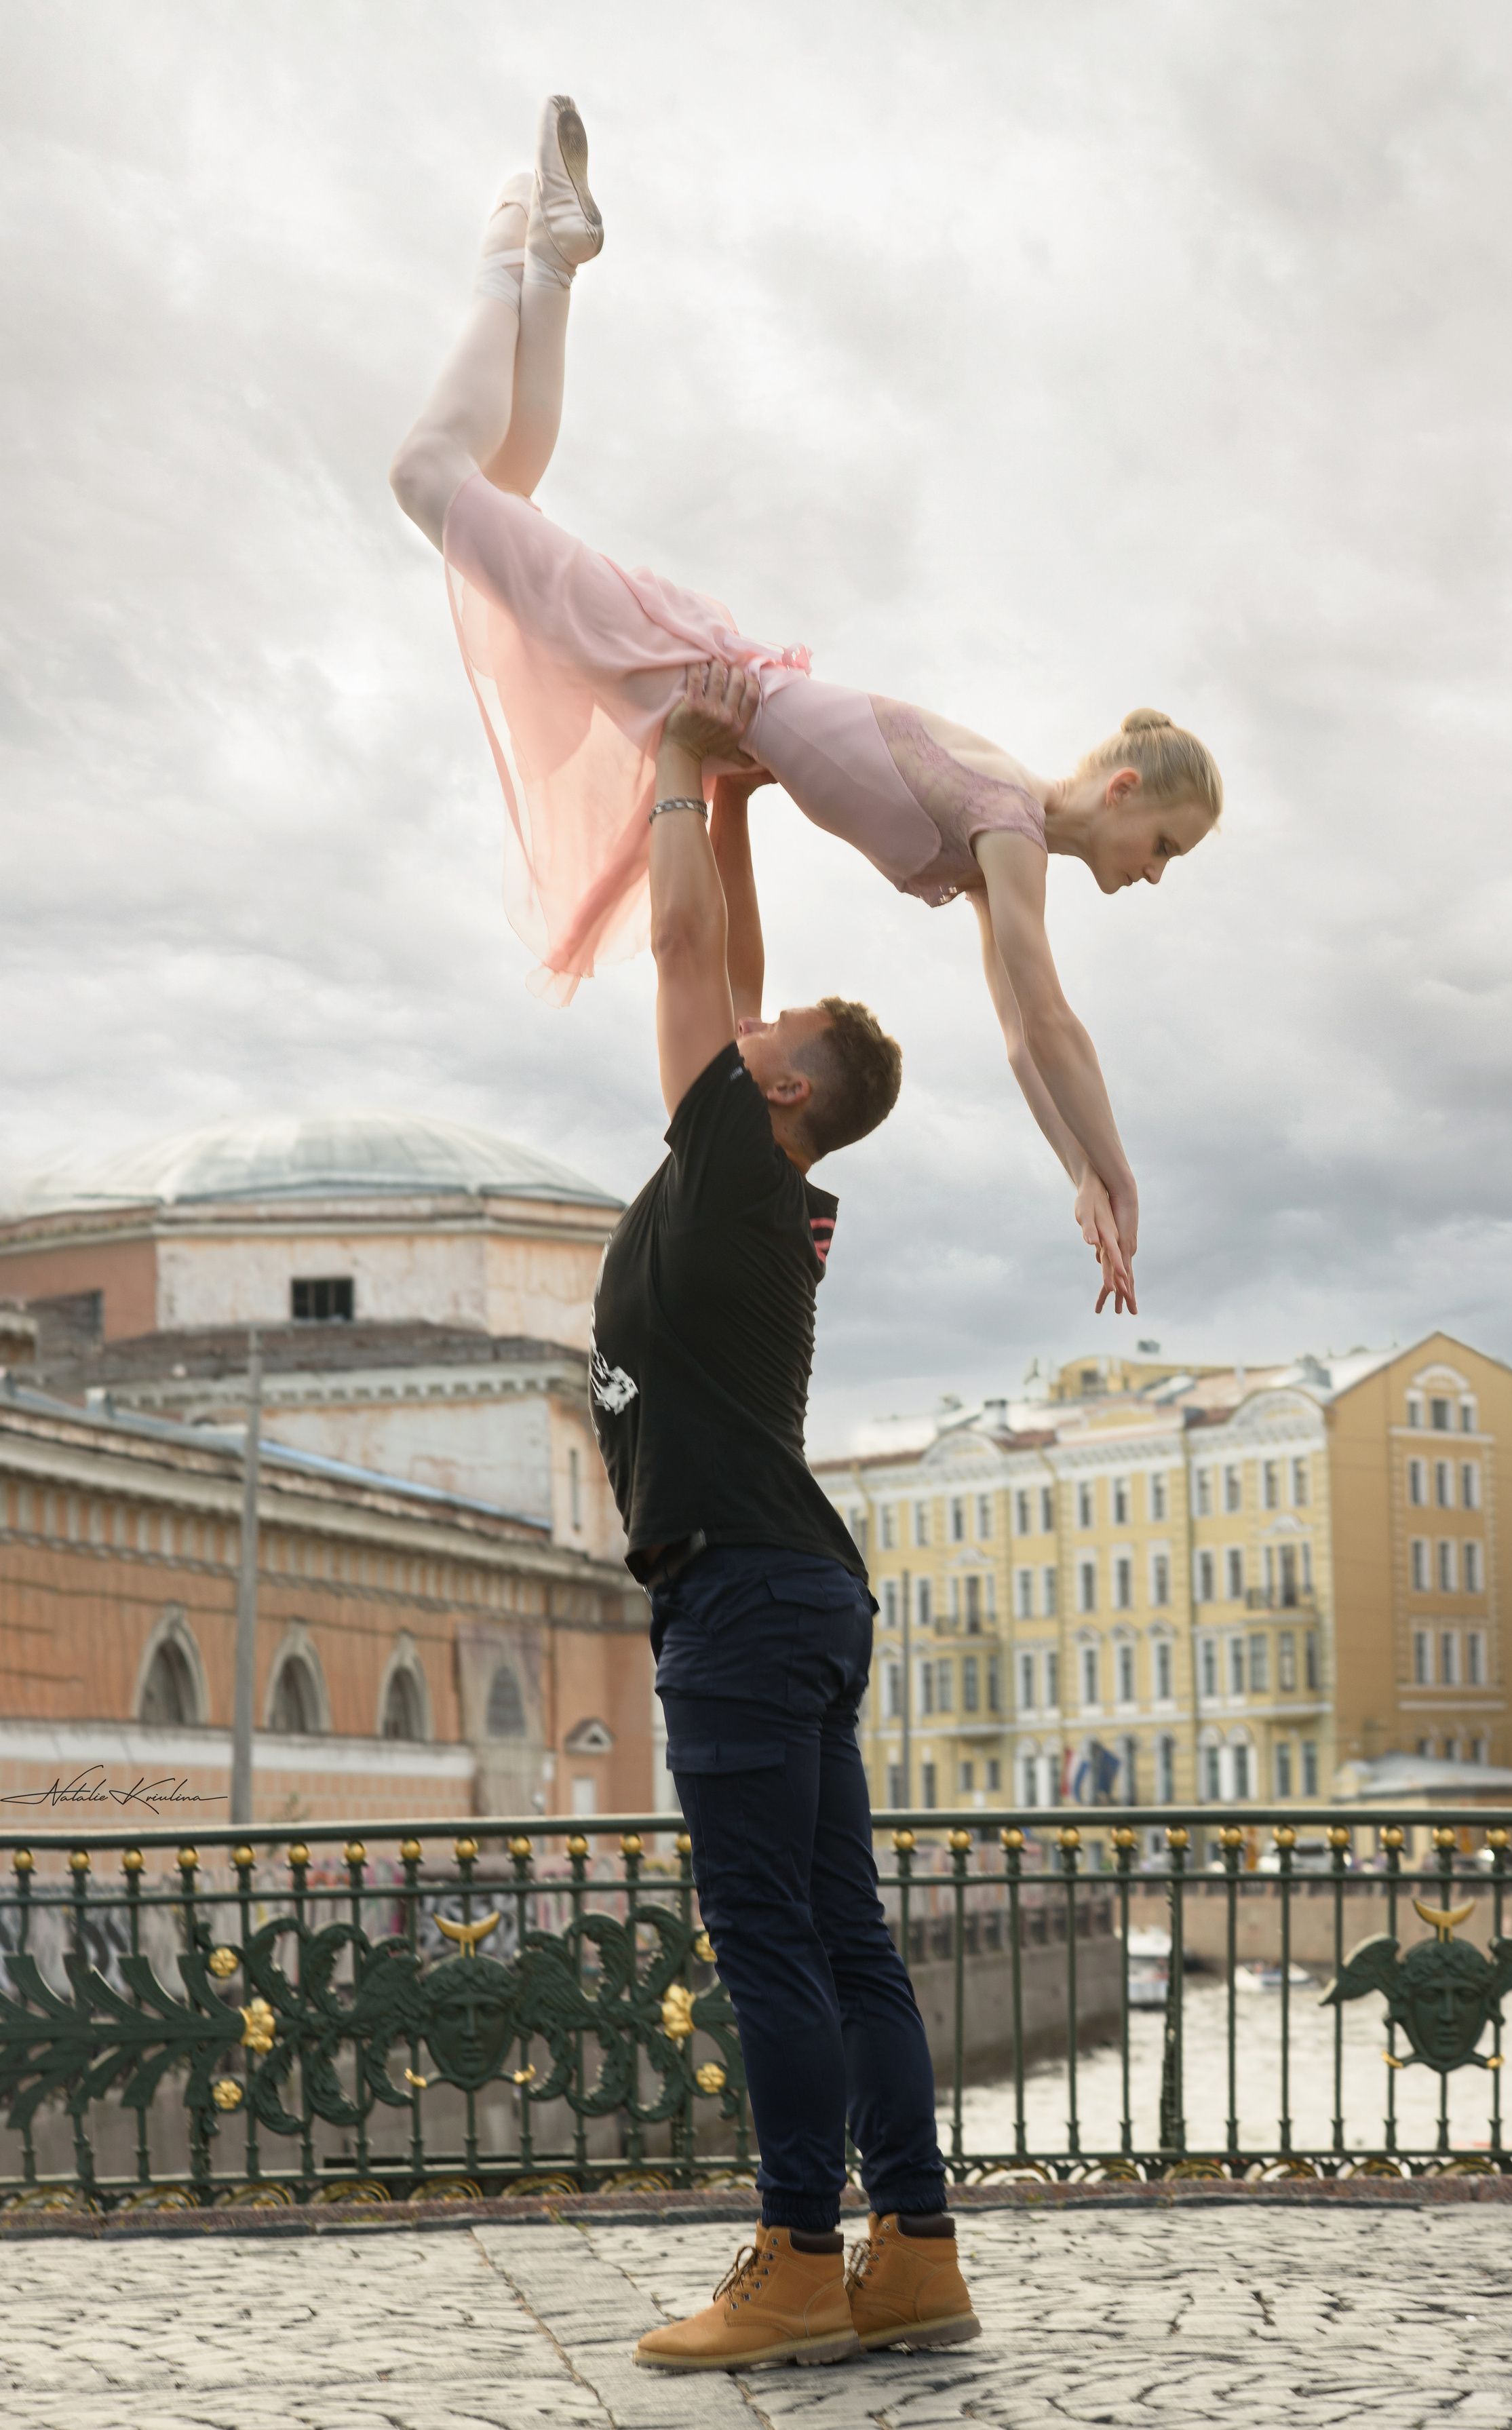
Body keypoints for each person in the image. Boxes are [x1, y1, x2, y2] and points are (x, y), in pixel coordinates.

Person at [389, 96, 1224, 1317]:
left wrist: (1078, 1175)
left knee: (493, 489)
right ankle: (523, 248)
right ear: (1123, 790)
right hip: (699, 679)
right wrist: (1120, 1170)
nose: (1156, 873)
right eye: (1167, 847)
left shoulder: (1006, 852)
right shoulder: (1009, 821)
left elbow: (1016, 1033)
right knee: (434, 479)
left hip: (709, 698)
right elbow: (1051, 1015)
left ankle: (541, 251)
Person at [573, 654, 978, 2372]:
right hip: (793, 1592)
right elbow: (723, 963)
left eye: (762, 1049)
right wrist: (733, 812)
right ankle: (917, 2253)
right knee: (845, 1940)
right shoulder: (749, 1177)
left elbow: (682, 961)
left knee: (772, 1953)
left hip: (741, 1597)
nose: (731, 1042)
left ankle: (803, 2259)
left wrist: (673, 766)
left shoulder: (742, 1168)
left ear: (788, 1096)